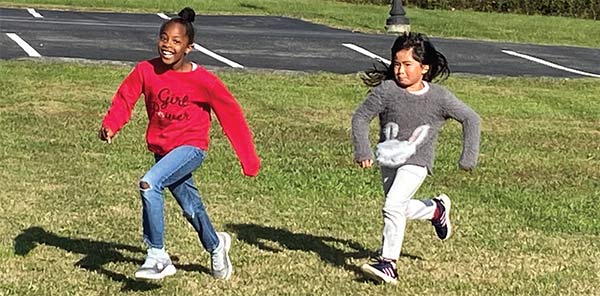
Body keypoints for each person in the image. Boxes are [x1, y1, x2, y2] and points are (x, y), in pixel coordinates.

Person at [98, 7, 260, 281]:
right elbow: (125, 97)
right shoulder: (145, 70)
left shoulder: (204, 81)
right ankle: (216, 245)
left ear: (189, 47)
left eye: (176, 41)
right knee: (190, 207)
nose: (168, 45)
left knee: (149, 184)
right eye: (164, 38)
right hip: (163, 151)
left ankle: (157, 255)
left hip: (191, 148)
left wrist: (249, 160)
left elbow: (232, 116)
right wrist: (112, 124)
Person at [351, 32, 480, 285]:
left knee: (391, 206)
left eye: (407, 65)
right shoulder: (386, 91)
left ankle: (388, 264)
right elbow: (360, 117)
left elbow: (471, 118)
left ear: (424, 68)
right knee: (398, 205)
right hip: (388, 159)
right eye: (396, 64)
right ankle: (435, 210)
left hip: (417, 162)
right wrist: (363, 150)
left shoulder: (439, 97)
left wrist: (468, 157)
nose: (400, 71)